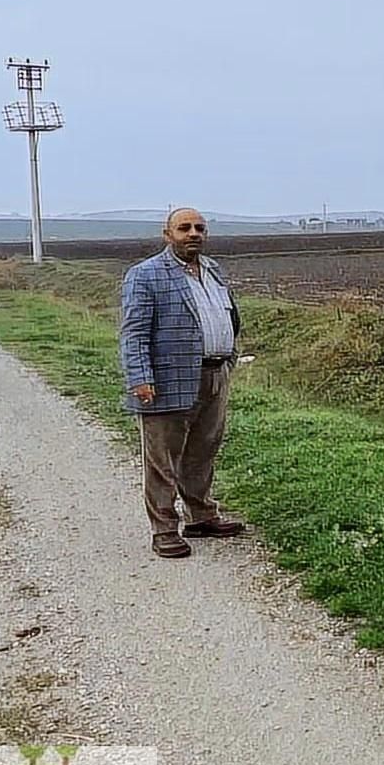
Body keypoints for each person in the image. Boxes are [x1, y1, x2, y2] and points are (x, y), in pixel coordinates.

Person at [119, 207, 247, 558]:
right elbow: (134, 333)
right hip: (167, 379)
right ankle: (164, 530)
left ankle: (201, 516)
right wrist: (140, 377)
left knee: (203, 451)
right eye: (184, 228)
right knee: (163, 460)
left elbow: (229, 317)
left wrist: (228, 358)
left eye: (199, 228)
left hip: (214, 375)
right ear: (168, 234)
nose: (193, 233)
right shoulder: (145, 275)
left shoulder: (213, 270)